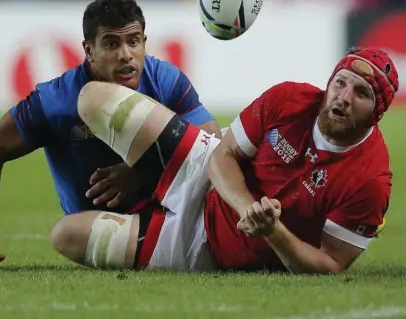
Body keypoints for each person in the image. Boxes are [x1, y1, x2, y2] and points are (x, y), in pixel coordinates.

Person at [54, 46, 398, 273]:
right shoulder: (290, 98)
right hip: (204, 171)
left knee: (65, 236)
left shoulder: (371, 181)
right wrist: (247, 206)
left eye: (361, 93)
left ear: (378, 112)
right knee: (94, 99)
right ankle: (150, 187)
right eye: (340, 83)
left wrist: (272, 231)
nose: (343, 97)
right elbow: (224, 155)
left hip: (202, 250)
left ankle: (150, 213)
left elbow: (330, 265)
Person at [0, 0, 221, 269]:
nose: (125, 54)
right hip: (97, 231)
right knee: (63, 232)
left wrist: (141, 170)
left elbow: (211, 141)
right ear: (89, 50)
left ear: (144, 43)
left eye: (133, 41)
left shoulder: (165, 80)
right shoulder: (56, 101)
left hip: (171, 211)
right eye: (112, 43)